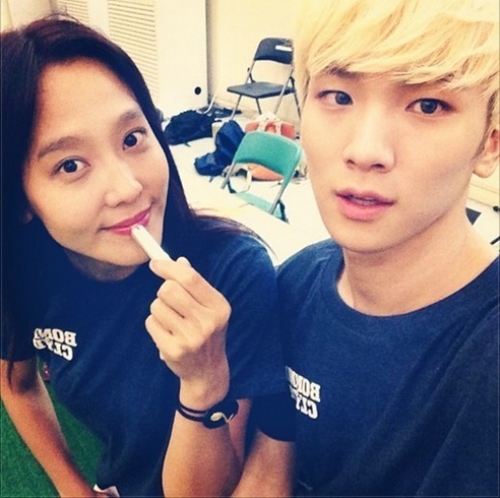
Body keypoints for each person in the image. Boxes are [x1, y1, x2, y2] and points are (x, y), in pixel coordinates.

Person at [0, 16, 286, 497]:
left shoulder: (233, 273)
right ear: (20, 200)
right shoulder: (23, 271)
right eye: (71, 165)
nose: (128, 188)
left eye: (132, 138)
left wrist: (203, 382)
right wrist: (72, 487)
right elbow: (18, 384)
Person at [234, 0, 500, 496]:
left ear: (489, 143)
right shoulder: (295, 285)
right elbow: (269, 474)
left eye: (427, 105)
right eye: (338, 96)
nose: (365, 150)